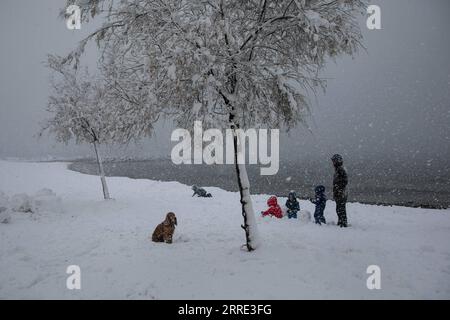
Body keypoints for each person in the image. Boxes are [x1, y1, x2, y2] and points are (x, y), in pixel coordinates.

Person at [331, 154, 348, 227]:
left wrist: (339, 189)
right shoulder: (339, 169)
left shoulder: (340, 169)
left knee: (340, 209)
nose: (333, 163)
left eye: (334, 161)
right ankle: (341, 222)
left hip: (341, 193)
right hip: (340, 193)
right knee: (340, 209)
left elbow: (344, 181)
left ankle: (342, 223)